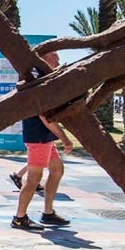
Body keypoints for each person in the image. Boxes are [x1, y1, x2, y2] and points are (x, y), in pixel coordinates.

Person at [12, 52, 74, 231]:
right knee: (33, 178)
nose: (58, 61)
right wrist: (65, 139)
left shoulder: (45, 81)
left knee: (57, 170)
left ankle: (48, 212)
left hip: (45, 137)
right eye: (55, 58)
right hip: (38, 136)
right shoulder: (39, 82)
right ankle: (19, 217)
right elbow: (45, 116)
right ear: (45, 60)